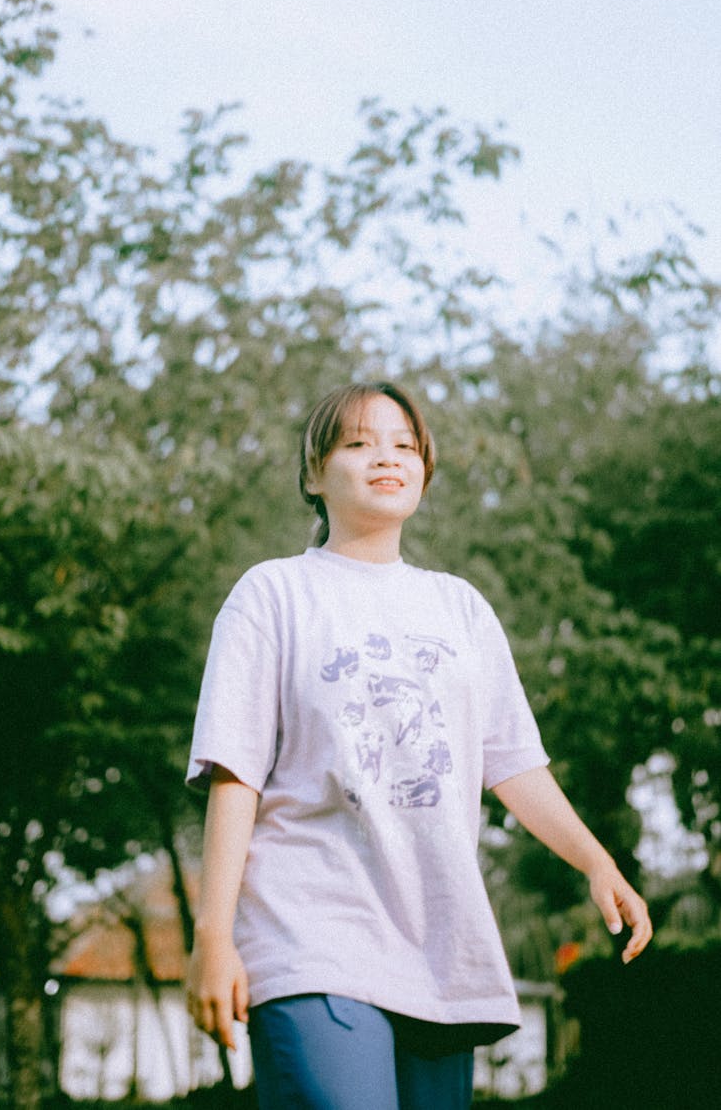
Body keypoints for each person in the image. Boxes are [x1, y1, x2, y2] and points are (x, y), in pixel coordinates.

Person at [185, 381, 652, 1109]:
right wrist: (214, 935)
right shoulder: (272, 594)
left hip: (439, 947)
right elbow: (234, 769)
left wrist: (596, 860)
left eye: (405, 444)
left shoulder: (460, 606)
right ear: (314, 474)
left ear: (425, 471)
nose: (386, 457)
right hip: (310, 932)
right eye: (358, 442)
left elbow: (514, 762)